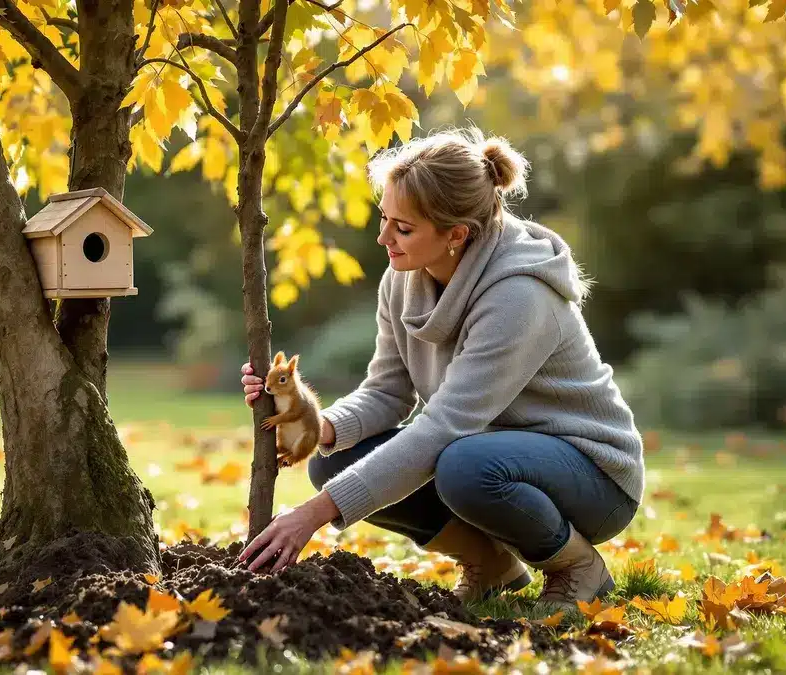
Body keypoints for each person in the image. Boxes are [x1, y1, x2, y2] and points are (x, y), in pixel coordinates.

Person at [236, 126, 644, 612]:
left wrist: (313, 515)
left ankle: (577, 566)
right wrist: (309, 423)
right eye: (384, 218)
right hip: (486, 454)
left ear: (456, 234)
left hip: (592, 476)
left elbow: (446, 426)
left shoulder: (519, 296)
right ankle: (490, 565)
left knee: (462, 465)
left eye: (403, 228)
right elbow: (387, 393)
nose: (383, 237)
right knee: (333, 460)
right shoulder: (403, 277)